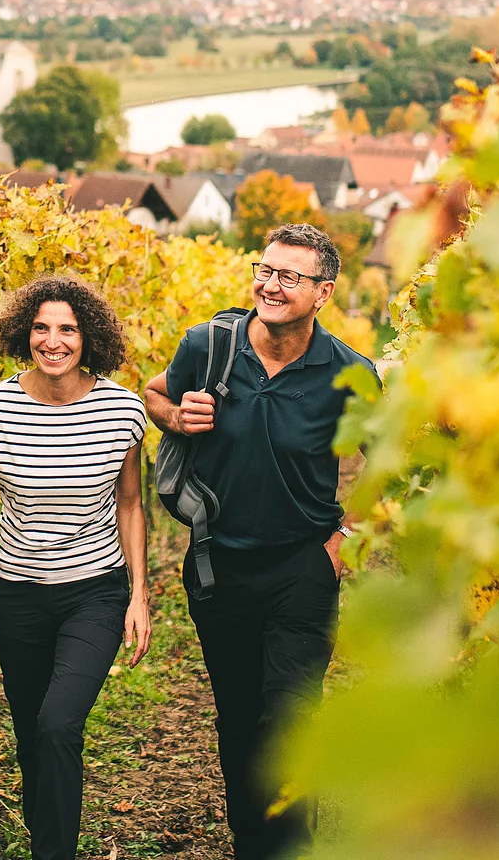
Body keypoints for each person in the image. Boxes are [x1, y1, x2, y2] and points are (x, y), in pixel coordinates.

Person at [143, 222, 377, 859]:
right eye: (265, 270)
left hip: (303, 568)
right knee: (240, 723)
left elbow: (383, 458)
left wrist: (343, 540)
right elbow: (154, 394)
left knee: (290, 725)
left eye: (289, 277)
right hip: (217, 567)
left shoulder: (350, 373)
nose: (270, 286)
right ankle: (254, 845)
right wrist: (175, 416)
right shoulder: (207, 346)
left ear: (323, 293)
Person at [0, 275, 152, 860]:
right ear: (25, 334)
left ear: (87, 336)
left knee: (59, 725)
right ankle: (48, 835)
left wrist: (139, 595)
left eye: (67, 329)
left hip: (94, 592)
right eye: (42, 328)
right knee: (30, 737)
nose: (54, 340)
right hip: (17, 598)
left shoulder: (124, 410)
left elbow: (131, 505)